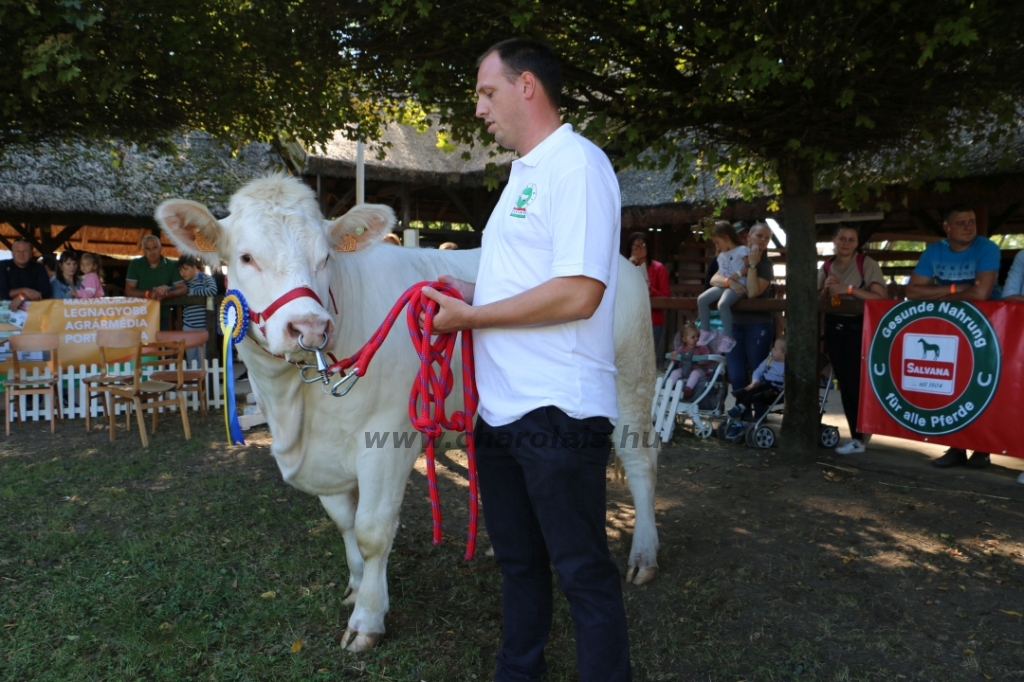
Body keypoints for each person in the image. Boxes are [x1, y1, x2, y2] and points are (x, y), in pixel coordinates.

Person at [420, 39, 632, 682]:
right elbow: (528, 286)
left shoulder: (579, 166)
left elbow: (579, 292)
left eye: (487, 92)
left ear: (528, 86)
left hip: (559, 410)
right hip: (504, 410)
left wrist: (473, 317)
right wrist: (468, 297)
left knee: (582, 571)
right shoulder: (525, 172)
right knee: (517, 562)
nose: (480, 108)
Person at [906, 205, 999, 469]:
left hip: (987, 329)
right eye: (961, 223)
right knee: (955, 384)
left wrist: (937, 293)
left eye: (971, 221)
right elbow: (912, 291)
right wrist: (958, 289)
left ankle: (983, 449)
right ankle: (956, 446)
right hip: (951, 329)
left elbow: (982, 293)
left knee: (983, 386)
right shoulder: (934, 251)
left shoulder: (987, 248)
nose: (969, 227)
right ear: (947, 227)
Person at [817, 225, 888, 455]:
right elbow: (818, 301)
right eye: (842, 239)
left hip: (860, 330)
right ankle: (858, 436)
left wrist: (848, 289)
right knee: (845, 385)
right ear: (834, 240)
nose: (846, 243)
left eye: (851, 239)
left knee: (860, 384)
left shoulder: (866, 264)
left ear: (857, 243)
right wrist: (826, 291)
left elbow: (879, 297)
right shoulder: (826, 267)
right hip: (835, 329)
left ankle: (860, 437)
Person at [724, 222, 775, 392]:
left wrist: (753, 264)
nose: (763, 240)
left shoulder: (766, 265)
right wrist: (730, 282)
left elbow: (753, 292)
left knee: (757, 373)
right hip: (733, 323)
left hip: (757, 323)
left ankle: (760, 415)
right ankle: (741, 415)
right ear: (749, 237)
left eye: (767, 238)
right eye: (759, 236)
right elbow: (713, 279)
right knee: (736, 374)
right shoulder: (735, 258)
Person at [697, 221, 747, 349]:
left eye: (717, 242)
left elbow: (750, 267)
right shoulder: (721, 255)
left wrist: (739, 274)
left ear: (726, 238)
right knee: (702, 299)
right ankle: (706, 330)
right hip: (724, 285)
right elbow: (718, 275)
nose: (716, 246)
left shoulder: (742, 250)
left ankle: (728, 337)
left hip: (738, 284)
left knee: (723, 304)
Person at [725, 337, 786, 440]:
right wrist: (755, 381)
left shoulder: (786, 366)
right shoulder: (769, 359)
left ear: (783, 356)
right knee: (745, 391)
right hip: (763, 385)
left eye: (775, 349)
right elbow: (758, 371)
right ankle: (738, 423)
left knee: (759, 390)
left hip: (775, 392)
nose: (772, 349)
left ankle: (740, 409)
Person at [125, 235, 187, 330]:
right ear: (143, 250)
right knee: (141, 344)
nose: (152, 251)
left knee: (162, 343)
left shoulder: (171, 265)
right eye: (148, 248)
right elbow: (129, 290)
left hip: (163, 315)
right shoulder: (135, 264)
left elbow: (183, 289)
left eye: (155, 247)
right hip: (139, 315)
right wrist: (149, 294)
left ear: (160, 248)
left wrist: (166, 294)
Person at [626, 231, 670, 358]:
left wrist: (650, 290)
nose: (638, 249)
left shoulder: (658, 268)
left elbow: (666, 298)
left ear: (648, 247)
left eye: (642, 245)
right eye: (634, 246)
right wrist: (628, 268)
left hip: (653, 321)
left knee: (649, 361)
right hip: (629, 321)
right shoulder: (625, 267)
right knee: (630, 360)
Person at [177, 255, 217, 365]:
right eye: (180, 270)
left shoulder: (204, 278)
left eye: (186, 269)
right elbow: (173, 290)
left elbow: (213, 290)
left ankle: (204, 382)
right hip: (189, 326)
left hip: (204, 326)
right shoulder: (182, 283)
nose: (183, 273)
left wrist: (193, 293)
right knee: (191, 359)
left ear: (194, 268)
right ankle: (195, 381)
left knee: (203, 359)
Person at [666, 322, 715, 400]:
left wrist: (703, 361)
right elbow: (678, 360)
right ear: (685, 339)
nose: (697, 339)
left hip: (700, 370)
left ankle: (688, 389)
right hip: (685, 369)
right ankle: (668, 387)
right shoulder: (681, 349)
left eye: (698, 336)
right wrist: (675, 357)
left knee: (695, 373)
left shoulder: (702, 348)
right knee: (675, 372)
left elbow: (708, 358)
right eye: (693, 337)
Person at [0, 239, 52, 308]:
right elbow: (2, 293)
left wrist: (22, 297)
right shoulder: (2, 266)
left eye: (25, 251)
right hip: (5, 312)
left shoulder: (39, 268)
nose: (21, 254)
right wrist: (24, 290)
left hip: (33, 311)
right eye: (18, 251)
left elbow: (46, 292)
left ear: (31, 254)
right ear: (12, 253)